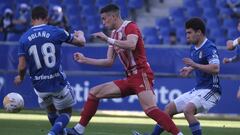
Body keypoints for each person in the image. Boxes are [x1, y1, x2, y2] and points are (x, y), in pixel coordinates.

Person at [67, 4, 183, 135]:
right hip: (130, 77)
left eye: (105, 19)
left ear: (114, 16)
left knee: (150, 109)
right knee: (94, 93)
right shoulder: (114, 34)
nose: (103, 22)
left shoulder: (130, 26)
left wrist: (108, 40)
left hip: (141, 73)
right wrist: (85, 60)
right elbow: (109, 61)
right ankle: (78, 130)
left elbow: (132, 44)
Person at [133, 17, 222, 135]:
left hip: (212, 90)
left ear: (199, 32)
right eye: (186, 33)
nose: (187, 36)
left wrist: (194, 64)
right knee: (168, 109)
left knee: (188, 110)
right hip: (199, 89)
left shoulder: (209, 47)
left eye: (189, 32)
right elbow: (202, 64)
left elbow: (216, 68)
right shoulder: (194, 48)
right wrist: (191, 68)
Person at [13, 6, 86, 135]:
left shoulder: (24, 38)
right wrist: (81, 34)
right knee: (66, 112)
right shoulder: (57, 31)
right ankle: (52, 133)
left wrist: (20, 77)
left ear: (32, 20)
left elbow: (22, 66)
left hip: (39, 85)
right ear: (47, 18)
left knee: (51, 110)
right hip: (57, 81)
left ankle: (60, 133)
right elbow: (81, 43)